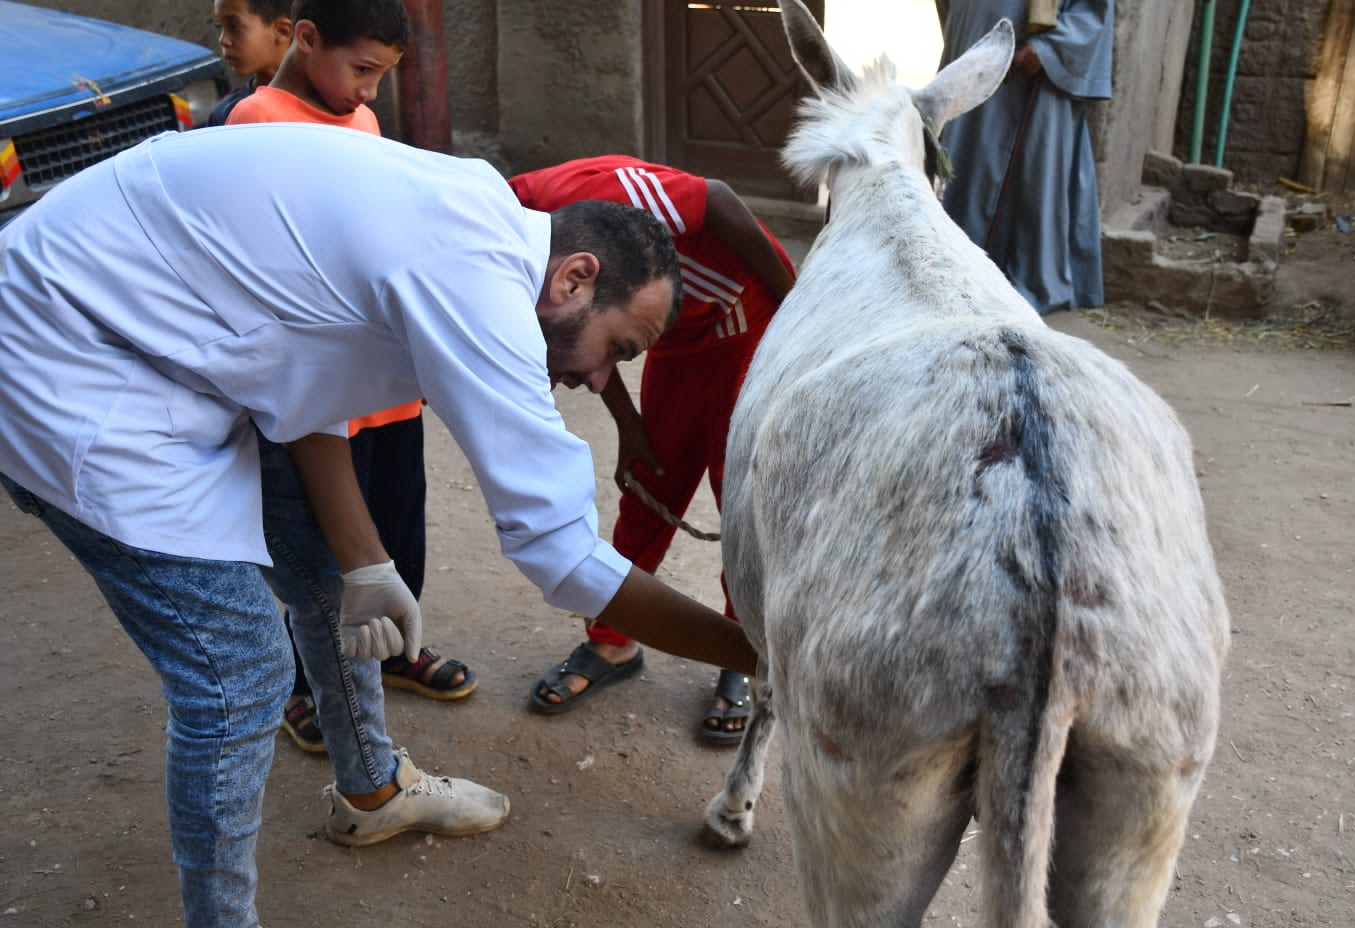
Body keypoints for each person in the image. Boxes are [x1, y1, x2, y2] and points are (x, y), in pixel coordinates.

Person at [0, 123, 758, 927]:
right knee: (241, 671)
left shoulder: (472, 210)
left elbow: (304, 375)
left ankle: (371, 790)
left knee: (322, 561)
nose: (597, 378)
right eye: (618, 347)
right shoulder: (479, 283)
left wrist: (363, 561)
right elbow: (562, 555)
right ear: (574, 277)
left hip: (140, 324)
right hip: (63, 353)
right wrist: (760, 652)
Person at [225, 0, 477, 756]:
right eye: (362, 69)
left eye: (383, 76)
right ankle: (309, 688)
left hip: (384, 382)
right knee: (327, 547)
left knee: (400, 521)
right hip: (317, 391)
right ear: (305, 39)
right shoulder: (256, 120)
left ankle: (397, 646)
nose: (369, 92)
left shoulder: (361, 122)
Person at [510, 156, 795, 744]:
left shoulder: (608, 204)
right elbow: (588, 339)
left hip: (752, 323)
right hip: (670, 336)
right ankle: (612, 642)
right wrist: (628, 422)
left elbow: (715, 193)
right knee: (649, 478)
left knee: (740, 494)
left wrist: (800, 305)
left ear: (576, 272)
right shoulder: (518, 258)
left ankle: (743, 651)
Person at [936, 0, 1114, 314]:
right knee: (964, 166)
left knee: (1031, 172)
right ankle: (959, 269)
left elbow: (1092, 10)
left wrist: (1048, 49)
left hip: (1031, 72)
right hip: (974, 53)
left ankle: (1018, 279)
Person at [208, 0, 293, 128]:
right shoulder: (225, 115)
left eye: (234, 26)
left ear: (282, 31)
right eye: (219, 26)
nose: (223, 40)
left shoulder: (326, 101)